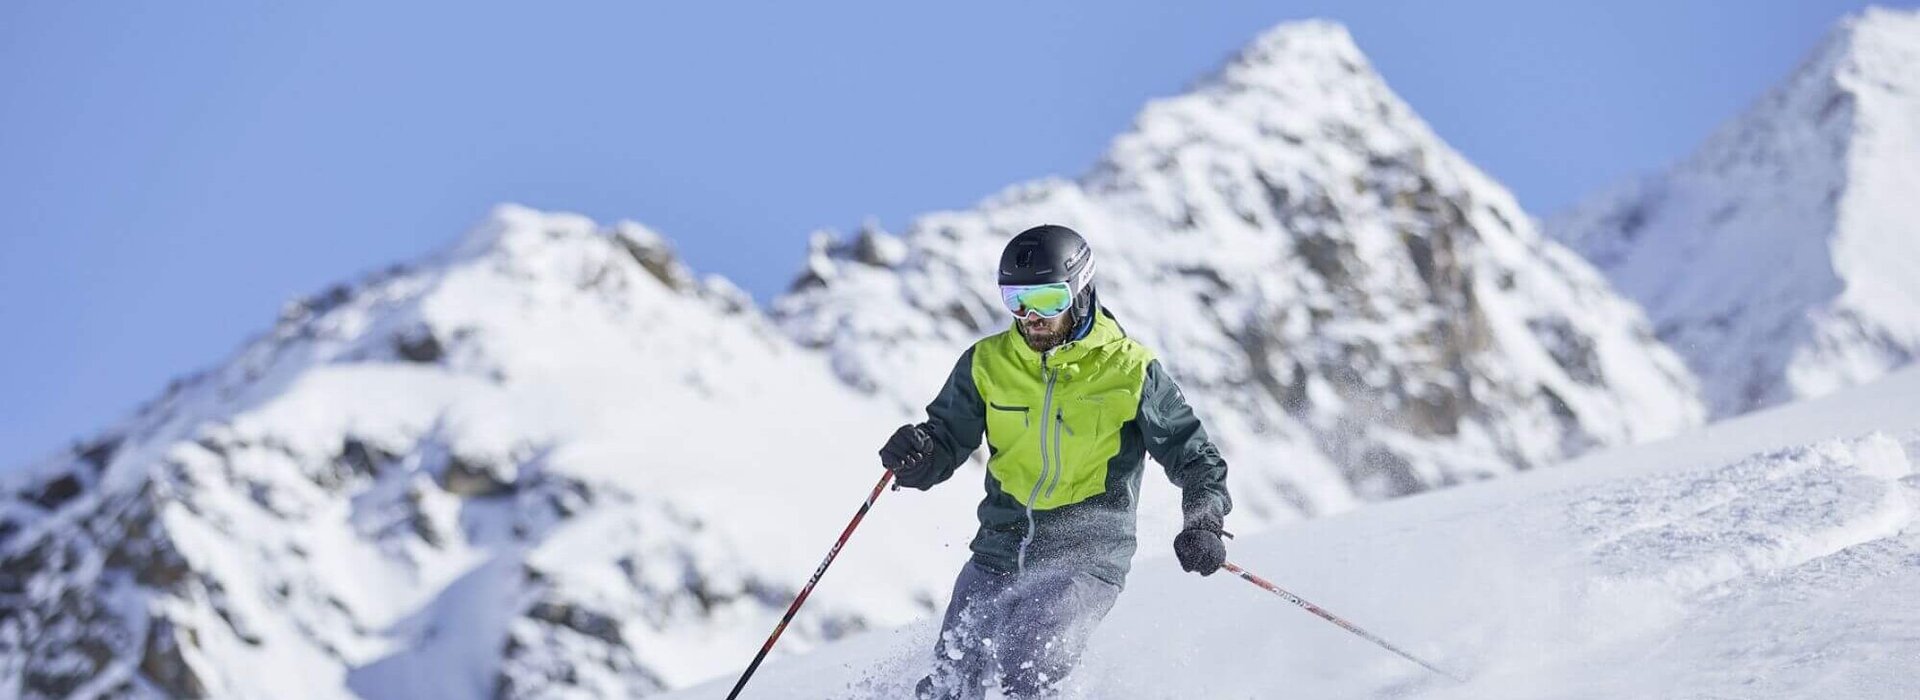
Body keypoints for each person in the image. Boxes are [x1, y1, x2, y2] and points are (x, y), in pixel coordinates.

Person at [879, 224, 1234, 699]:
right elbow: (944, 442)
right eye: (1016, 300)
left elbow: (1195, 455)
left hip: (1086, 557)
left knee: (1029, 661)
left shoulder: (1129, 370)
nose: (1031, 317)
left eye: (1047, 300)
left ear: (1081, 292)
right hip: (998, 550)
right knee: (950, 680)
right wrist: (916, 455)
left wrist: (1204, 522)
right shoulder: (987, 364)